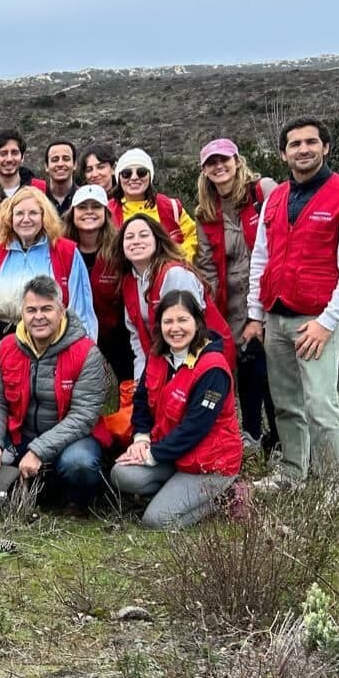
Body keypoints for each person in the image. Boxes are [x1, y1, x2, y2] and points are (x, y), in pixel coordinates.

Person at [247, 116, 339, 492]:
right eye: (294, 144)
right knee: (286, 403)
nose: (303, 149)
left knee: (320, 405)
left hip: (315, 321)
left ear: (326, 147)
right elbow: (261, 258)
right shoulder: (276, 198)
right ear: (284, 153)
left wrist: (328, 321)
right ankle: (292, 472)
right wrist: (256, 314)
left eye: (310, 142)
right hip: (276, 317)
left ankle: (334, 486)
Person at [0, 277, 109, 510]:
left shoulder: (87, 352)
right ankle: (18, 493)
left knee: (80, 464)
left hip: (70, 441)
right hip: (20, 435)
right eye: (31, 310)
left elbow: (83, 416)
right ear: (22, 313)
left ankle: (72, 500)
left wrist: (39, 450)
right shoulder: (5, 348)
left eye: (47, 309)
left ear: (61, 310)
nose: (38, 317)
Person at [113, 290, 241, 528]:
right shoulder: (158, 355)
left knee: (157, 521)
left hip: (208, 464)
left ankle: (226, 494)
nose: (175, 328)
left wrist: (152, 456)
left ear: (198, 322)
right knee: (121, 473)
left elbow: (195, 429)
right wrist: (141, 439)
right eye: (168, 321)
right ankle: (175, 490)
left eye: (183, 320)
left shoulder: (212, 369)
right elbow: (141, 401)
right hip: (173, 455)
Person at [194, 139, 279, 451]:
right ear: (204, 170)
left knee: (271, 372)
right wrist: (212, 318)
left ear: (236, 160)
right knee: (247, 368)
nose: (219, 166)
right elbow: (206, 265)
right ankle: (252, 434)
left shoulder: (262, 193)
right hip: (231, 305)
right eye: (211, 162)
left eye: (224, 160)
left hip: (269, 298)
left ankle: (281, 438)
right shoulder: (206, 213)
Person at [0, 187, 96, 350]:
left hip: (52, 343)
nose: (26, 219)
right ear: (10, 218)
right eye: (19, 214)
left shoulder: (66, 252)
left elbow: (81, 311)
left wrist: (82, 352)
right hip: (2, 343)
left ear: (44, 216)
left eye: (33, 213)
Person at [112, 214, 230, 382]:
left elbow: (191, 331)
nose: (136, 241)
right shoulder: (128, 282)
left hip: (201, 359)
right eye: (129, 237)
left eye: (144, 235)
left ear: (158, 240)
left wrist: (177, 381)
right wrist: (141, 378)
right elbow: (137, 336)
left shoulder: (174, 274)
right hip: (164, 362)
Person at [64, 184, 132, 386]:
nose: (89, 212)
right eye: (83, 207)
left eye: (96, 206)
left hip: (116, 345)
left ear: (106, 212)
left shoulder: (121, 252)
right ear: (73, 213)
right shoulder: (61, 250)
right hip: (69, 343)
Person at [110, 148, 199, 260]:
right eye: (126, 173)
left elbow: (194, 235)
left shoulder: (171, 207)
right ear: (119, 177)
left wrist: (179, 258)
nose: (134, 177)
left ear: (150, 175)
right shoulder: (107, 212)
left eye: (141, 172)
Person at [43, 139, 78, 215]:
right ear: (46, 166)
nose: (60, 164)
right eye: (55, 160)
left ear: (75, 164)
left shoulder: (83, 198)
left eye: (66, 159)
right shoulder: (38, 199)